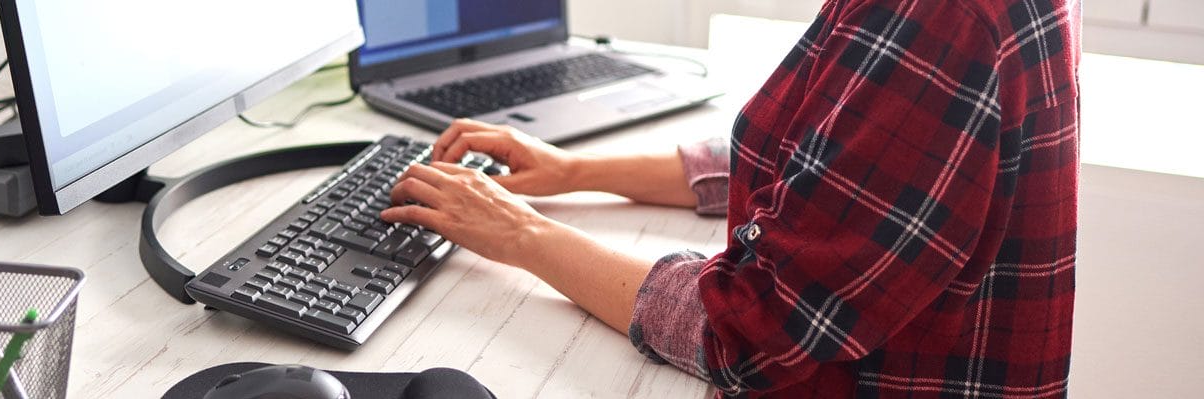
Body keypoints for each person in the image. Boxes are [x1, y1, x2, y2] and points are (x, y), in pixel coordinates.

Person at [380, 0, 1080, 397]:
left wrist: (520, 235)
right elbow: (827, 155)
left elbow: (752, 329)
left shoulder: (936, 15)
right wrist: (575, 170)